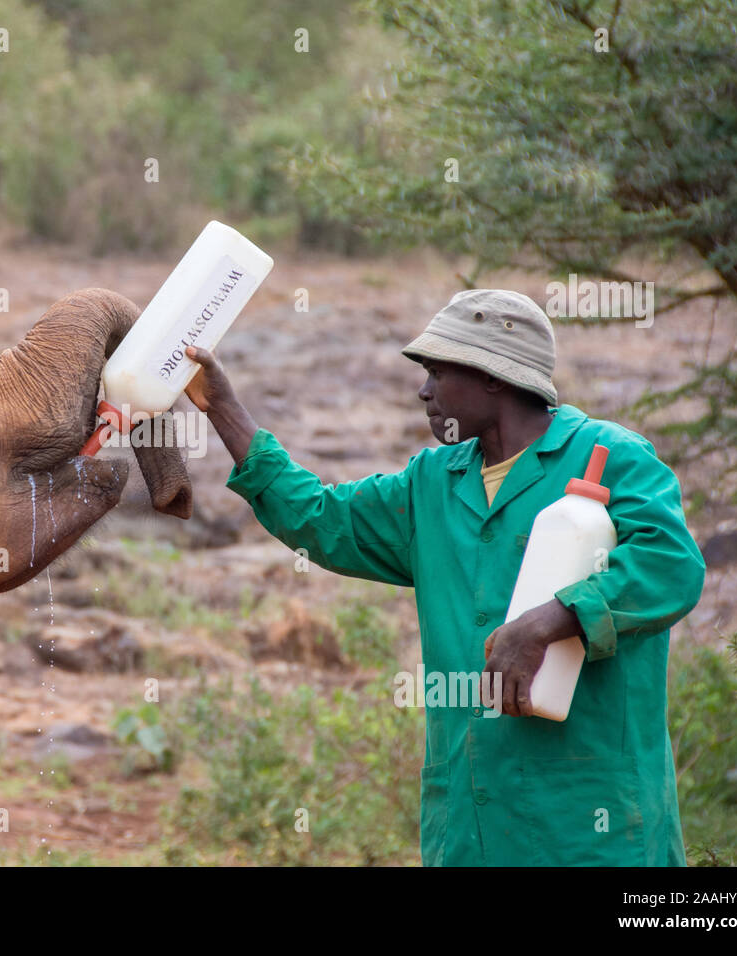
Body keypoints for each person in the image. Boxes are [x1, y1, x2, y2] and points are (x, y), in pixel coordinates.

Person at [183, 288, 706, 866]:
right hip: (470, 825)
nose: (423, 390)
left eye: (438, 371)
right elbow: (321, 519)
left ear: (492, 378)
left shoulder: (613, 457)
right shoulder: (431, 481)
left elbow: (671, 564)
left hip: (589, 826)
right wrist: (223, 408)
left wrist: (547, 622)